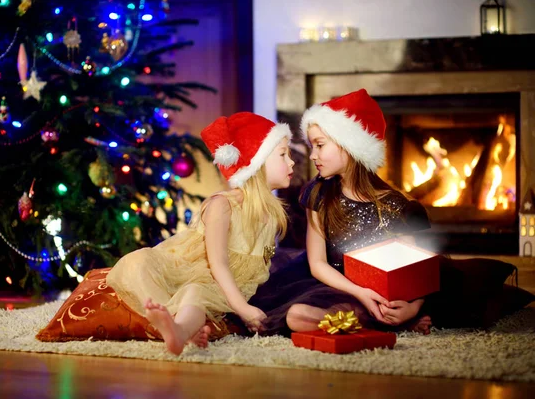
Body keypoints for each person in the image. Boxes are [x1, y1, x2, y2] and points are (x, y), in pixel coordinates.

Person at [249, 89, 436, 336]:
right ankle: (374, 322)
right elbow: (317, 264)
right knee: (293, 314)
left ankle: (393, 319)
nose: (313, 155)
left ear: (350, 146)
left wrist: (412, 308)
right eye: (311, 146)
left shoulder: (397, 206)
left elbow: (414, 274)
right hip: (333, 281)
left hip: (383, 290)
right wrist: (360, 292)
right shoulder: (318, 194)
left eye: (320, 145)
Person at [106, 112, 295, 355]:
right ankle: (174, 323)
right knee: (140, 262)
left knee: (196, 294)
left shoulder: (271, 213)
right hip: (197, 269)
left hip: (226, 284)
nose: (291, 162)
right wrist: (243, 308)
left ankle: (180, 330)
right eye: (283, 154)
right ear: (257, 164)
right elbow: (218, 263)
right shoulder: (224, 205)